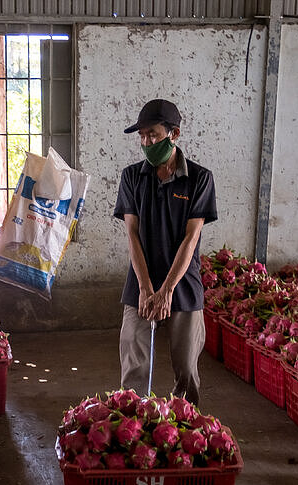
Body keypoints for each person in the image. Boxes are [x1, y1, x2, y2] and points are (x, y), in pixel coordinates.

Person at [114, 98, 218, 405]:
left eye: (154, 135)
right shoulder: (132, 177)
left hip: (183, 283)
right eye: (142, 137)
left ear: (174, 134)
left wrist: (167, 290)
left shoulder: (199, 179)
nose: (147, 143)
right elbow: (132, 234)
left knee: (186, 366)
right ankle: (131, 422)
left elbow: (191, 239)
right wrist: (147, 289)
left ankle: (184, 431)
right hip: (141, 281)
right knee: (135, 362)